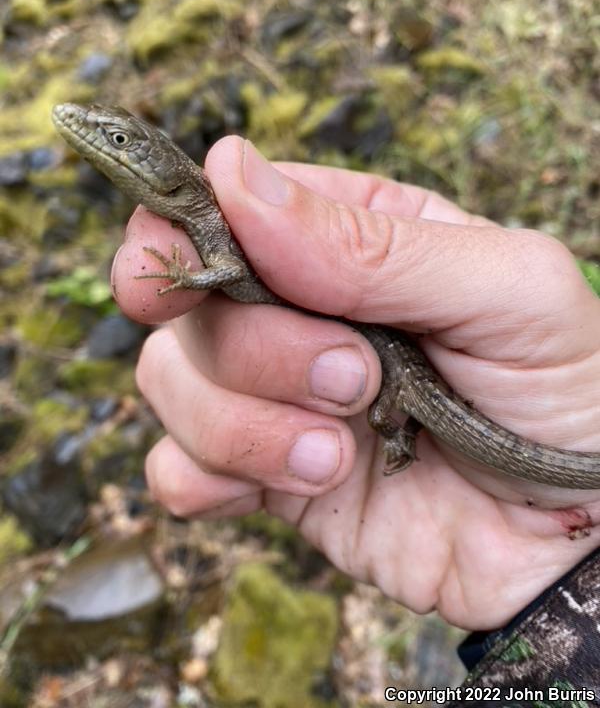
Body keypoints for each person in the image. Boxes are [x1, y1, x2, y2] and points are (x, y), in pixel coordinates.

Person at [111, 135, 600, 699]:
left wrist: (187, 278)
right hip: (415, 404)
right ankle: (400, 438)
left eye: (119, 139)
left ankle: (400, 438)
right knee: (372, 404)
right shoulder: (201, 207)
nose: (104, 141)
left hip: (407, 376)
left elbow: (221, 267)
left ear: (165, 168)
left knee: (384, 402)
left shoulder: (212, 207)